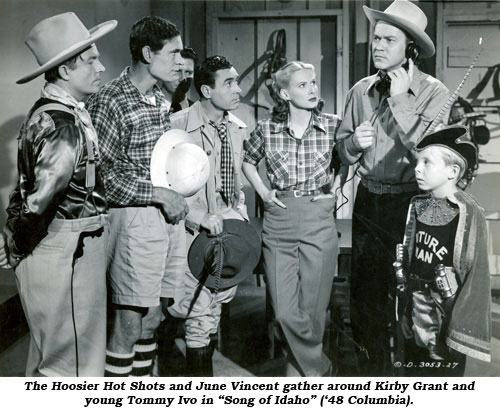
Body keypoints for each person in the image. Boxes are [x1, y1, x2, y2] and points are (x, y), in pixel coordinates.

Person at [335, 0, 450, 376]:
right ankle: (374, 381)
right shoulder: (361, 91)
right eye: (376, 38)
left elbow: (433, 153)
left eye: (389, 39)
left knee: (413, 301)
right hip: (369, 203)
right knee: (366, 302)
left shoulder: (436, 94)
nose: (378, 46)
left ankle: (412, 384)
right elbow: (341, 147)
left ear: (410, 49)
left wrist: (401, 102)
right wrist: (353, 145)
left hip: (412, 206)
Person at [0, 12, 116, 376]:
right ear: (65, 71)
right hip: (68, 251)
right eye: (91, 59)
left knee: (55, 360)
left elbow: (26, 193)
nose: (100, 67)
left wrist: (13, 237)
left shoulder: (53, 112)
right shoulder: (63, 124)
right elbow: (40, 202)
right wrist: (16, 246)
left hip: (65, 249)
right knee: (73, 368)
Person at [87, 16, 189, 377]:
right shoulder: (110, 100)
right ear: (148, 52)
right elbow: (102, 180)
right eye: (173, 53)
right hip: (133, 220)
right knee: (128, 326)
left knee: (152, 321)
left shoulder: (160, 98)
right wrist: (160, 194)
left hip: (164, 218)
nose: (180, 61)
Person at [243, 61, 340, 376]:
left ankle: (299, 375)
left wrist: (334, 190)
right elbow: (247, 161)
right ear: (284, 93)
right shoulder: (266, 129)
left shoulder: (334, 126)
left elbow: (348, 160)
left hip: (318, 217)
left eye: (313, 83)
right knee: (284, 312)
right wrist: (263, 192)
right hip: (280, 219)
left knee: (313, 311)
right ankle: (319, 367)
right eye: (302, 85)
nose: (312, 90)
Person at [165, 55, 249, 376]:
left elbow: (234, 180)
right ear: (206, 90)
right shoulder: (176, 126)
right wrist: (196, 217)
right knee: (194, 317)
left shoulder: (237, 129)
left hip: (224, 237)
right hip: (187, 238)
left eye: (237, 81)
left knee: (211, 314)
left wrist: (237, 213)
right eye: (229, 83)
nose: (238, 89)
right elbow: (164, 187)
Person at [399, 125, 491, 376]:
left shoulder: (469, 212)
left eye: (427, 162)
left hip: (447, 312)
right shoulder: (416, 206)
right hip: (415, 309)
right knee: (414, 373)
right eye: (418, 162)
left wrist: (459, 321)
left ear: (452, 171)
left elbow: (477, 274)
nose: (417, 169)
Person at [161, 47, 197, 113]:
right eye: (177, 71)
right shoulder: (147, 108)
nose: (183, 78)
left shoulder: (197, 112)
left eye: (188, 72)